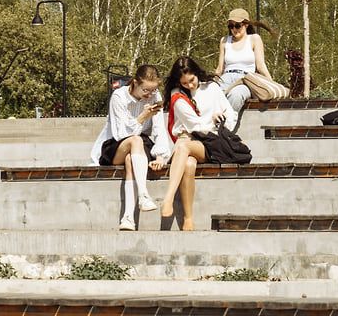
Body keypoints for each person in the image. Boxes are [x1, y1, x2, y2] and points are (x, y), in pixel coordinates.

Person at [89, 64, 170, 231]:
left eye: (153, 90)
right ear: (135, 83)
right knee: (135, 141)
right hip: (115, 145)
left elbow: (159, 128)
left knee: (130, 159)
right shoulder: (119, 97)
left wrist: (160, 155)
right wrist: (142, 117)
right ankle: (143, 194)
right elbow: (120, 134)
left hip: (139, 146)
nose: (149, 95)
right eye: (146, 90)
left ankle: (128, 218)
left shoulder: (154, 96)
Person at [159, 55, 237, 231]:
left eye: (192, 80)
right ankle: (188, 219)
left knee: (183, 147)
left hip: (212, 140)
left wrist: (221, 121)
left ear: (196, 73)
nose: (190, 86)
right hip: (189, 136)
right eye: (185, 83)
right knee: (187, 164)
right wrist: (212, 119)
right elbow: (193, 125)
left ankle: (168, 197)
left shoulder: (212, 88)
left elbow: (230, 114)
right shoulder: (177, 94)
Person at [213, 8, 277, 114]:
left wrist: (271, 84)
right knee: (214, 94)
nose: (234, 29)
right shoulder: (224, 41)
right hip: (226, 78)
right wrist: (211, 83)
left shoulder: (254, 39)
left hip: (246, 79)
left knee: (236, 95)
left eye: (238, 25)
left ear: (246, 25)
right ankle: (213, 126)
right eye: (231, 26)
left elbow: (261, 66)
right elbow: (220, 68)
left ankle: (227, 123)